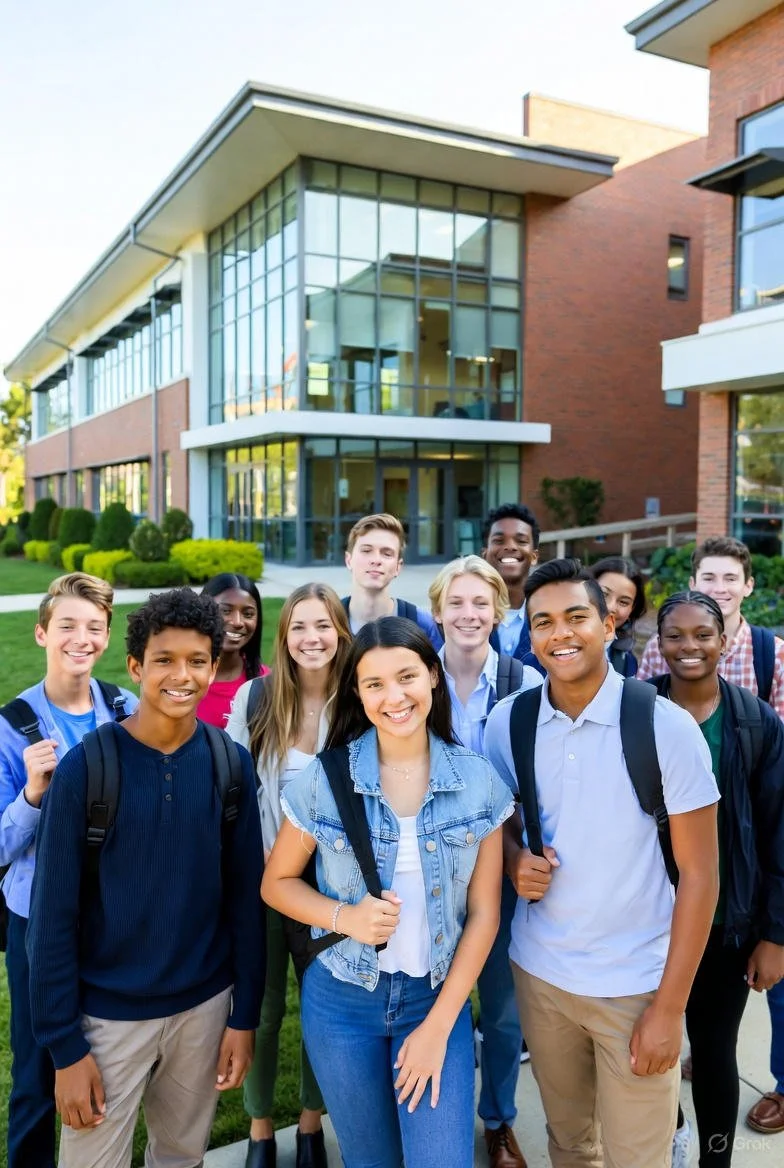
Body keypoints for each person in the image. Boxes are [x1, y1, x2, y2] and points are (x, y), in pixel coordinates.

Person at [485, 558, 720, 1168]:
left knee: (636, 1157)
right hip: (541, 975)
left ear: (609, 623)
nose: (559, 634)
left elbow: (701, 875)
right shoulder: (508, 720)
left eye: (575, 617)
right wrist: (514, 858)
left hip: (634, 985)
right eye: (542, 622)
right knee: (569, 1145)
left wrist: (669, 1009)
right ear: (528, 636)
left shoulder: (663, 726)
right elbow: (498, 821)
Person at [262, 616, 514, 1168]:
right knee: (369, 1159)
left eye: (406, 677)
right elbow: (275, 884)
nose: (393, 697)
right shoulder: (325, 781)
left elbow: (485, 914)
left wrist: (439, 1028)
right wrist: (344, 916)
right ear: (357, 691)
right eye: (374, 684)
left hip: (433, 1001)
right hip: (341, 1003)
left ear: (433, 676)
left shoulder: (479, 782)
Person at [26, 588, 265, 1168]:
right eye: (164, 660)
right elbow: (51, 917)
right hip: (107, 1020)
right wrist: (65, 1048)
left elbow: (245, 900)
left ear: (215, 666)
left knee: (181, 1157)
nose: (181, 675)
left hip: (205, 1008)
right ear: (135, 667)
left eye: (197, 661)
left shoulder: (228, 763)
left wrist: (244, 1016)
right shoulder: (88, 768)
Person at [0, 572, 138, 1168]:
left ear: (106, 639)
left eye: (93, 628)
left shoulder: (125, 709)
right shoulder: (11, 726)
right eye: (67, 626)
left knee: (117, 1054)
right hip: (37, 921)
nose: (80, 638)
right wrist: (32, 793)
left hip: (116, 914)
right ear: (41, 633)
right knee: (36, 1068)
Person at [650, 591, 784, 1166]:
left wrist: (775, 935)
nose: (689, 646)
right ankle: (670, 1138)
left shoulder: (756, 722)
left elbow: (780, 834)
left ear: (724, 642)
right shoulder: (638, 712)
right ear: (658, 645)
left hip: (727, 923)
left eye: (702, 634)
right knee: (645, 1047)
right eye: (675, 635)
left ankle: (714, 1158)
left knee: (712, 1050)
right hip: (645, 921)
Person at [227, 584, 352, 1168]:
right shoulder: (256, 700)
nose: (312, 638)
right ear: (283, 637)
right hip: (262, 881)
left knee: (323, 1010)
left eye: (323, 626)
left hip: (333, 887)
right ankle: (258, 1132)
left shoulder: (356, 702)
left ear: (341, 633)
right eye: (299, 627)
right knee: (264, 1008)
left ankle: (308, 1125)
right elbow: (228, 792)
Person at [428, 556, 541, 1168]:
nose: (468, 615)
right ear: (438, 609)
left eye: (481, 604)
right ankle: (431, 1114)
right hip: (431, 871)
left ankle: (498, 1120)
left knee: (500, 1011)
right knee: (430, 998)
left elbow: (537, 783)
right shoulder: (418, 677)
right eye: (457, 603)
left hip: (502, 868)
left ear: (499, 611)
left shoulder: (523, 683)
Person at [638, 536, 784, 717]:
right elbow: (640, 716)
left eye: (730, 579)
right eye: (709, 578)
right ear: (693, 584)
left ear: (748, 585)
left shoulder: (774, 654)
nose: (719, 589)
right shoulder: (658, 647)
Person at [342, 514, 443, 650]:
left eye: (387, 554)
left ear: (398, 567)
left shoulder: (422, 625)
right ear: (349, 560)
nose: (376, 560)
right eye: (366, 551)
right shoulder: (328, 620)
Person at [198, 572, 269, 727]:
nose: (237, 622)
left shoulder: (266, 683)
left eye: (248, 614)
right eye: (225, 610)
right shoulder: (182, 679)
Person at [480, 503, 543, 674]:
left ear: (534, 555)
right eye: (499, 541)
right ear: (484, 554)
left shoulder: (548, 613)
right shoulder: (468, 616)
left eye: (521, 541)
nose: (510, 546)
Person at [587, 555, 646, 677]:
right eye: (603, 594)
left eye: (623, 602)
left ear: (632, 610)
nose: (610, 607)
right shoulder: (553, 644)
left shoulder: (627, 663)